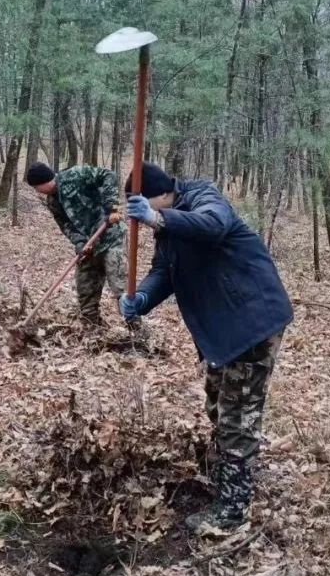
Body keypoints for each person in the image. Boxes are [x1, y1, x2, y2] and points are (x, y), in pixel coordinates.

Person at [118, 162, 292, 533]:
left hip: (251, 320)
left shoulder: (203, 198)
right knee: (217, 403)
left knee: (236, 415)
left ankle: (232, 510)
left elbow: (213, 227)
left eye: (151, 206)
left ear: (163, 195)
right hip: (222, 330)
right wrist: (142, 298)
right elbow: (164, 271)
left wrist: (157, 219)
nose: (150, 218)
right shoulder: (166, 226)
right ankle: (226, 476)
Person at [25, 162, 126, 326]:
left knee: (119, 285)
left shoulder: (76, 175)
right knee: (85, 283)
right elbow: (66, 225)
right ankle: (91, 325)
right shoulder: (52, 201)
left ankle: (134, 327)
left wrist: (111, 206)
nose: (37, 192)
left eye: (37, 187)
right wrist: (79, 242)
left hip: (110, 236)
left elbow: (109, 175)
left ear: (44, 182)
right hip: (89, 244)